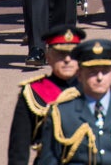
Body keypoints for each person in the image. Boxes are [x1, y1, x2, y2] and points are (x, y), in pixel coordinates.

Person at [36, 38, 111, 165]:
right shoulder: (61, 114)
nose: (100, 77)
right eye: (92, 72)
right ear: (79, 74)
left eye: (105, 71)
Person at [9, 26, 86, 165]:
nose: (67, 60)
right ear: (48, 57)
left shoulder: (92, 92)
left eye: (72, 54)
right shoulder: (34, 93)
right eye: (60, 54)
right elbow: (18, 149)